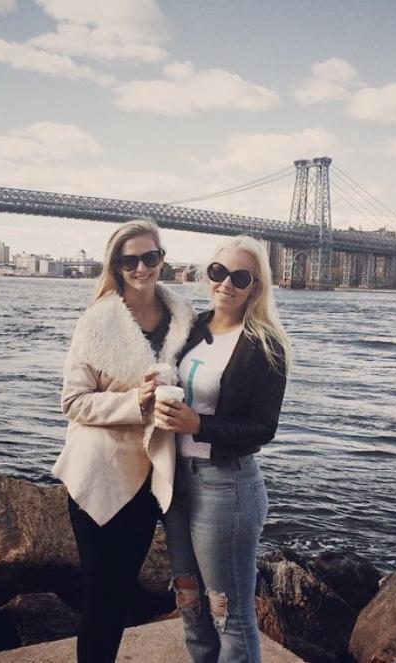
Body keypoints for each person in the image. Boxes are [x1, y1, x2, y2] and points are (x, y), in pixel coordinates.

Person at [52, 220, 195, 663]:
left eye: (150, 257)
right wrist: (137, 400)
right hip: (100, 474)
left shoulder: (186, 319)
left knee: (121, 595)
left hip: (151, 478)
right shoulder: (95, 323)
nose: (141, 268)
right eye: (129, 260)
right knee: (99, 599)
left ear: (162, 259)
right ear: (115, 266)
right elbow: (73, 402)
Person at [155, 235, 291, 663]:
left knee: (227, 613)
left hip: (226, 487)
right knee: (190, 603)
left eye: (240, 277)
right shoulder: (191, 329)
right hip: (176, 482)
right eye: (218, 272)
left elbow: (263, 428)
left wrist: (200, 425)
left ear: (255, 287)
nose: (226, 283)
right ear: (207, 274)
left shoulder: (264, 344)